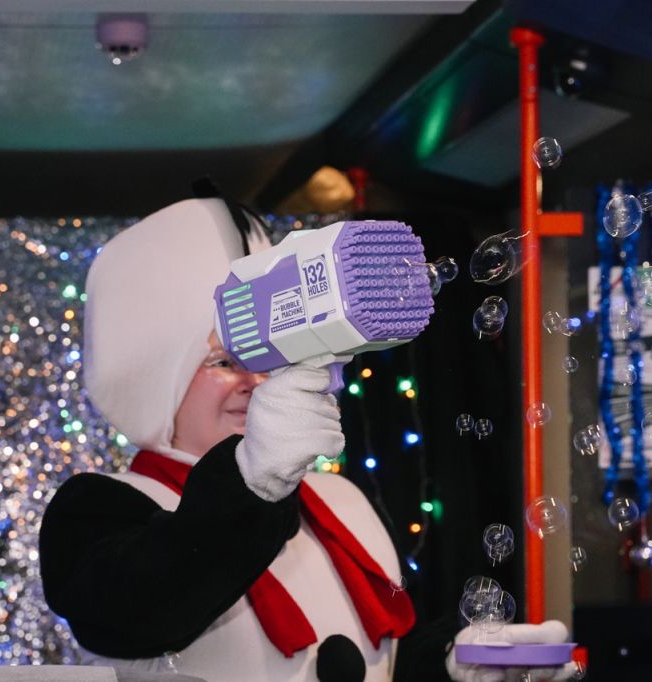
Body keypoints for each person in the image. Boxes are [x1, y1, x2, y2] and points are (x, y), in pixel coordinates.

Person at [39, 194, 572, 682]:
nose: (255, 382)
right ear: (160, 382)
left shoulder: (340, 500)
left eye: (268, 359)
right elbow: (148, 602)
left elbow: (377, 662)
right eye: (224, 362)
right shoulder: (100, 508)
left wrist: (454, 665)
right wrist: (253, 478)